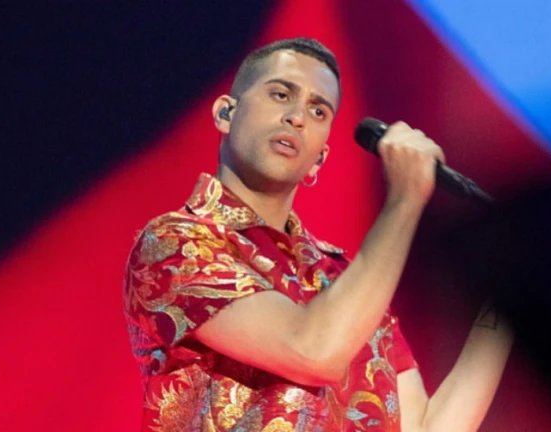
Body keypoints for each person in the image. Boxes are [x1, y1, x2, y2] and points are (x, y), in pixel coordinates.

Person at [123, 37, 513, 431]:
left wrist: (512, 291)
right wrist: (405, 199)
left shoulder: (345, 279)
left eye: (318, 110)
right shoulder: (174, 243)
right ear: (226, 113)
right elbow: (311, 349)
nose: (297, 117)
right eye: (280, 94)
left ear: (319, 159)